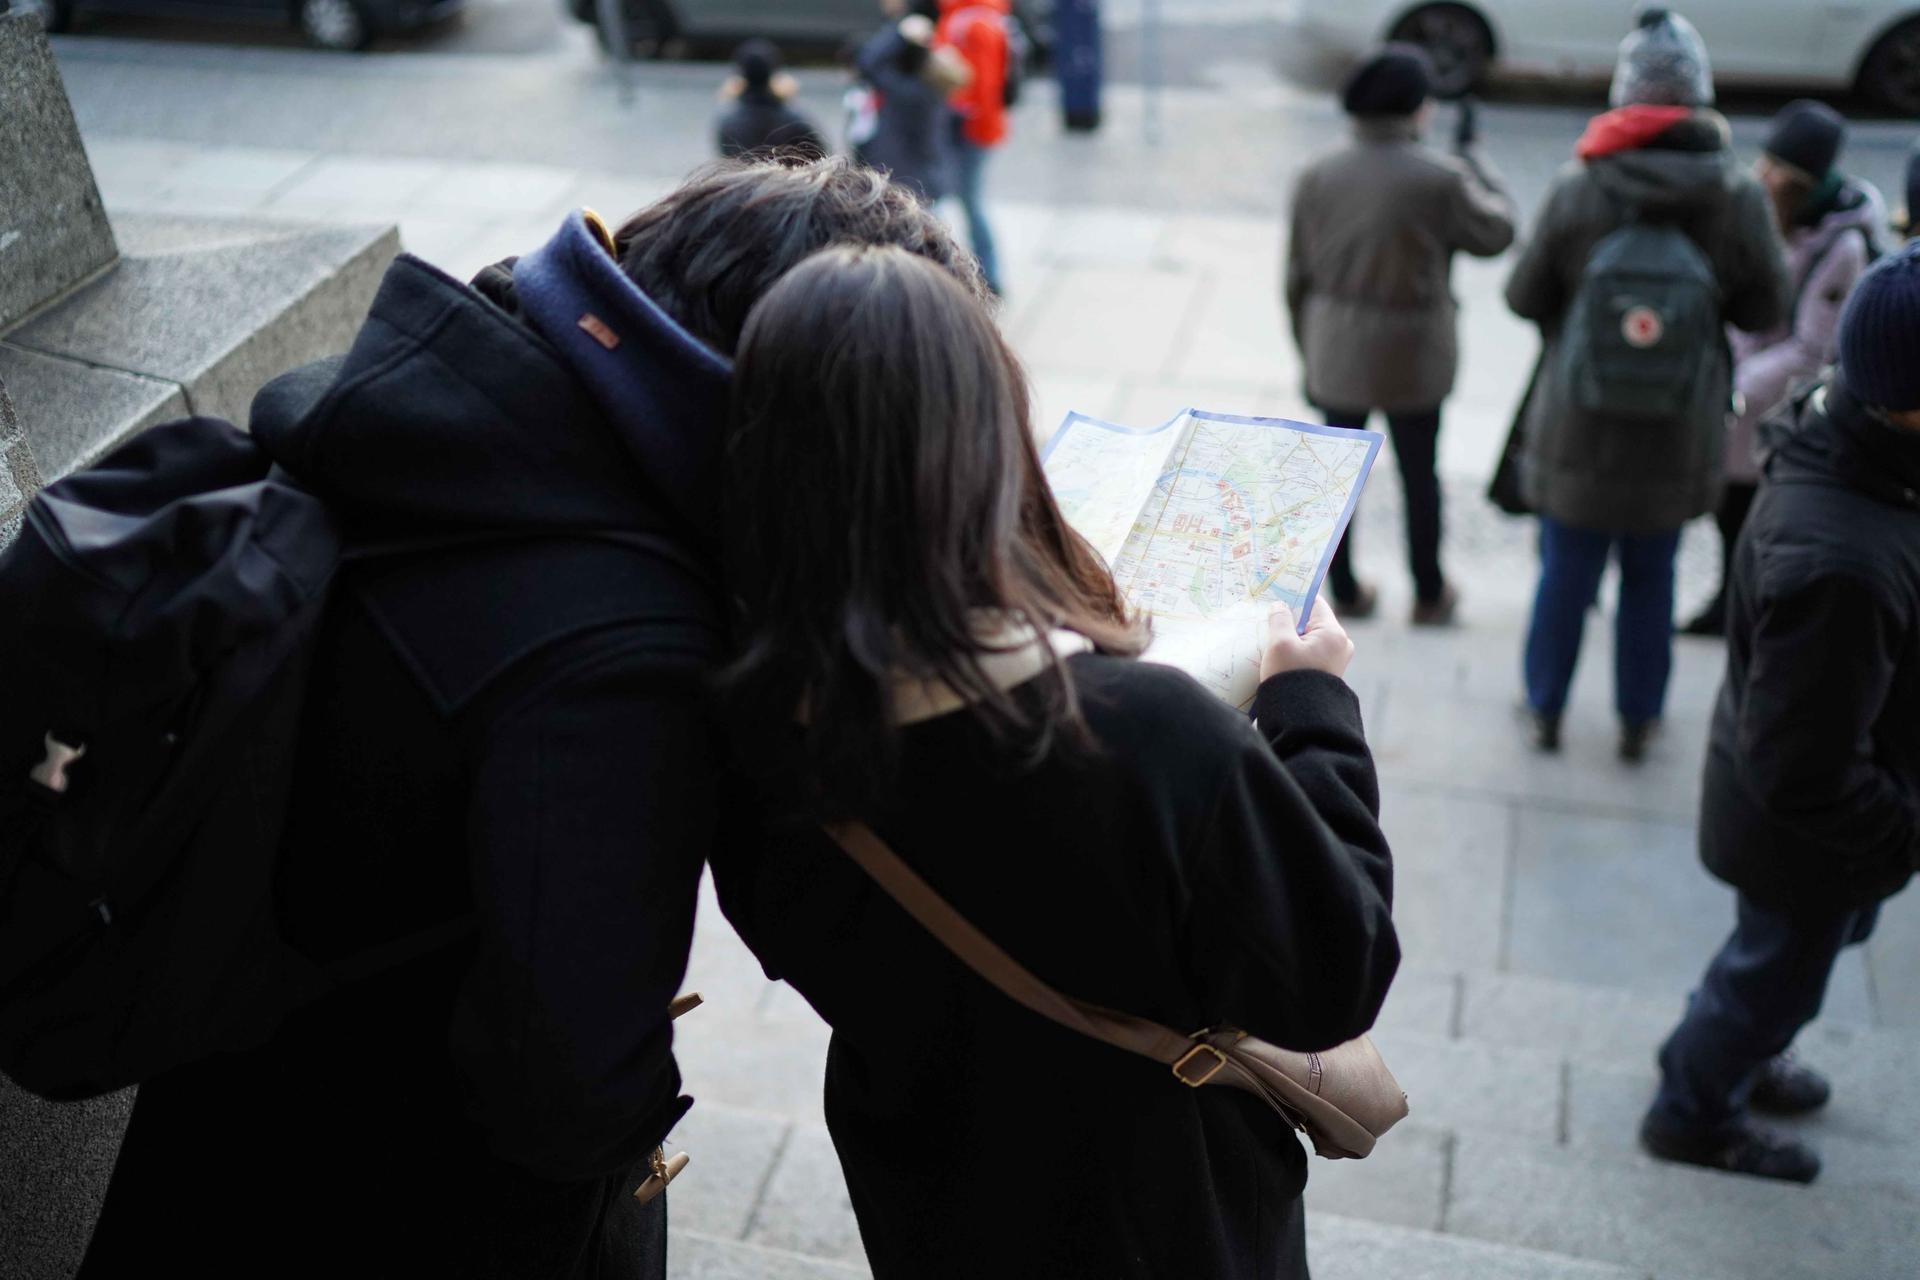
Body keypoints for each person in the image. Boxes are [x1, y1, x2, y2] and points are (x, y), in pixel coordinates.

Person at [72, 160, 986, 1280]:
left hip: (230, 1126)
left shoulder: (464, 405)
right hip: (392, 1201)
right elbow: (571, 1092)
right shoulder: (616, 657)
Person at [711, 244, 1399, 1279]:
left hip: (929, 1196)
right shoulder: (1145, 734)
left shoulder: (753, 732)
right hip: (1160, 1211)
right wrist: (1314, 706)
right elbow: (1336, 970)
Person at [1642, 247, 1920, 1184]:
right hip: (1811, 835)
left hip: (1817, 817)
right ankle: (1692, 1106)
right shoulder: (1841, 561)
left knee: (1783, 961)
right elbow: (1804, 769)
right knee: (1773, 972)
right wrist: (1905, 831)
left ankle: (1733, 1052)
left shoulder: (1852, 437)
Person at [1504, 7, 1787, 760]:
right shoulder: (1737, 195)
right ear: (1699, 97)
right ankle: (1637, 717)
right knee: (1651, 576)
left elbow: (1522, 297)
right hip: (1678, 427)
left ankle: (1544, 706)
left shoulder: (1579, 185)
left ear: (1623, 95)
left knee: (1565, 571)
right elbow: (1767, 307)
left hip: (1578, 421)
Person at [1287, 45, 1516, 626]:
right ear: (1416, 109)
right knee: (1420, 474)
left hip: (1336, 344)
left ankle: (1342, 590)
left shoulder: (1318, 174)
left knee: (1338, 479)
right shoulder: (1439, 178)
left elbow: (1295, 277)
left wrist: (1308, 350)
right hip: (1415, 350)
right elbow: (1498, 232)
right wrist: (1479, 163)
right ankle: (1429, 589)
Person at [1682, 100, 1883, 637]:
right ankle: (1729, 603)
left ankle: (1743, 610)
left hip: (1771, 408)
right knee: (1730, 511)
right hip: (1742, 399)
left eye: (1775, 169)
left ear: (1799, 181)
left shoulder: (1841, 245)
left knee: (1753, 517)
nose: (1761, 174)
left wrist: (1736, 386)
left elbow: (1812, 350)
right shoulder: (1771, 214)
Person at [854, 2, 970, 204]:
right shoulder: (937, 96)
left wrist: (899, 33)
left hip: (905, 182)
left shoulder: (909, 93)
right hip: (928, 180)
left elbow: (870, 62)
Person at [937, 0, 1015, 294]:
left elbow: (982, 84)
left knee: (966, 199)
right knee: (966, 198)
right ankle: (984, 272)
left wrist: (959, 115)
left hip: (969, 129)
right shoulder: (971, 17)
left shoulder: (971, 22)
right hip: (972, 127)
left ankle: (986, 273)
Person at [716, 38, 828, 161]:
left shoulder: (728, 122)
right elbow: (822, 156)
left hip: (743, 180)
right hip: (789, 179)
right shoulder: (795, 119)